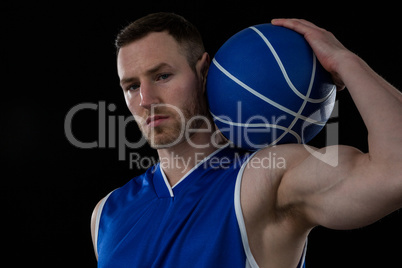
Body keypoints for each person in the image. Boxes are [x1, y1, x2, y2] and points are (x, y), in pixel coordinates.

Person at [90, 12, 402, 267]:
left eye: (162, 76)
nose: (146, 99)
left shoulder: (264, 178)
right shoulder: (107, 213)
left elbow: (394, 173)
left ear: (204, 72)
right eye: (131, 86)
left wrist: (346, 63)